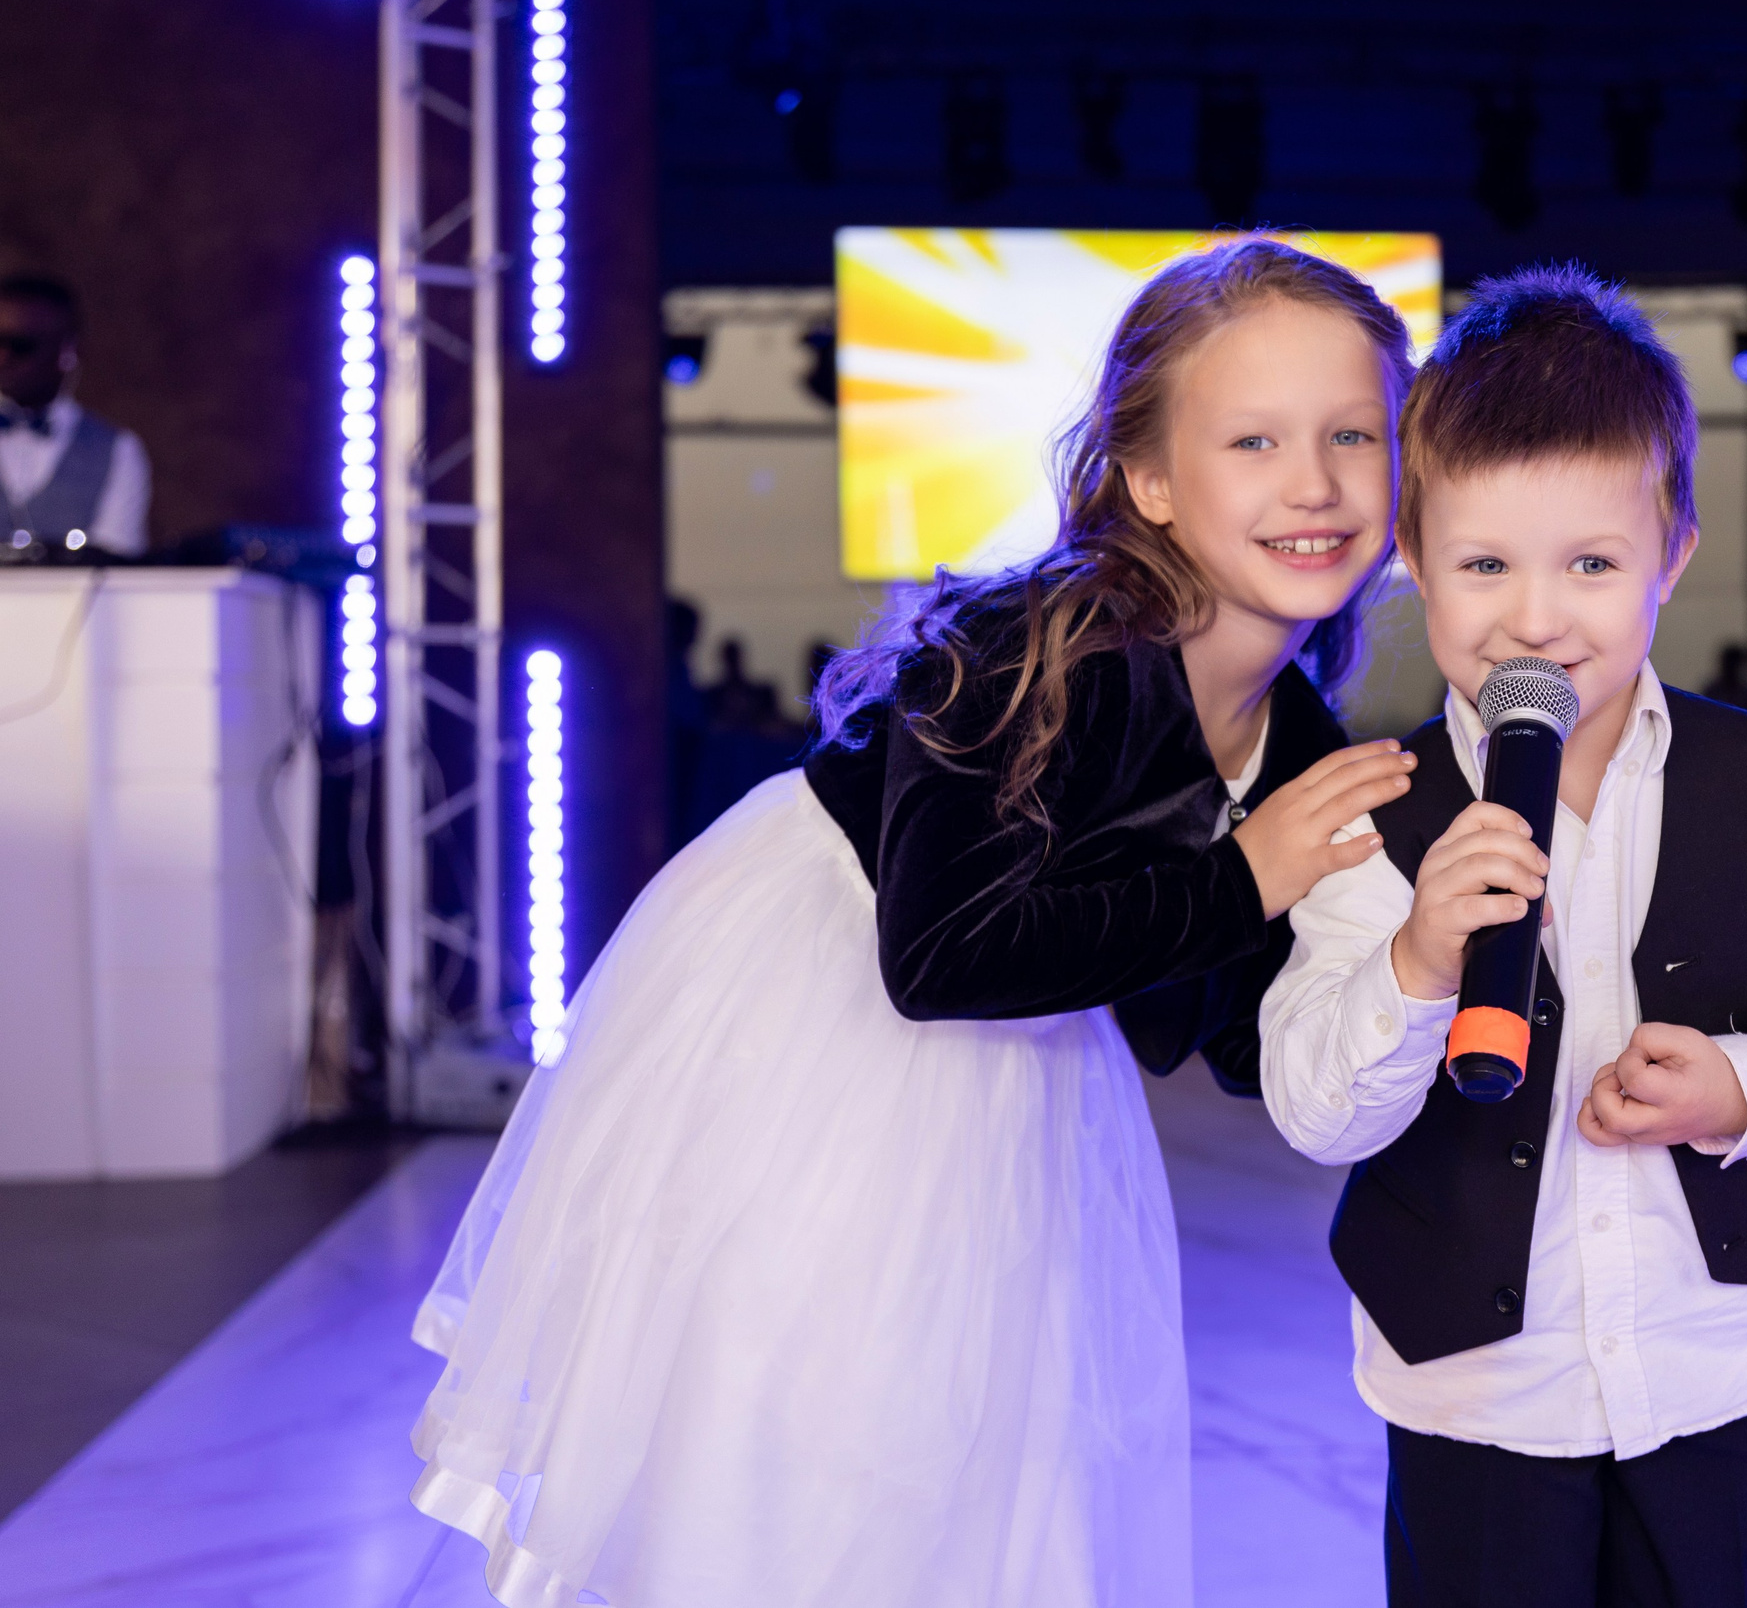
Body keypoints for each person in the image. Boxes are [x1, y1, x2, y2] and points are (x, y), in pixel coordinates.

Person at [407, 238, 1422, 1608]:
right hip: (816, 1020)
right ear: (1152, 481)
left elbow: (1218, 1031)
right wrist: (1247, 875)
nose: (1315, 482)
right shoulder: (1028, 643)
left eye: (1355, 433)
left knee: (985, 1464)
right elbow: (939, 956)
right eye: (1255, 440)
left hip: (1016, 1050)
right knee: (819, 1454)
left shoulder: (1293, 730)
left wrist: (1401, 957)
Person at [1260, 266, 1747, 1608]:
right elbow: (1314, 1106)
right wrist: (1415, 966)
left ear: (1672, 552)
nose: (1535, 616)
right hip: (1475, 1388)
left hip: (1717, 1360)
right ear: (1412, 553)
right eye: (1484, 564)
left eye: (1590, 563)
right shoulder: (1369, 815)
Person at [0, 272, 151, 556]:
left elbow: (118, 569)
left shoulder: (117, 450)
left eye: (21, 346)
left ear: (66, 350)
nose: (3, 358)